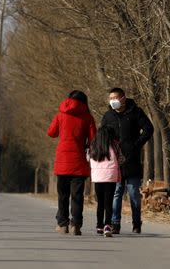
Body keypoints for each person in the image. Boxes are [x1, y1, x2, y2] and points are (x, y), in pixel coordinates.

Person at [100, 87, 154, 234]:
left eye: (116, 98)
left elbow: (149, 128)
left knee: (133, 194)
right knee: (116, 193)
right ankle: (115, 224)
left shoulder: (136, 112)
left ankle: (137, 223)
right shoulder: (107, 116)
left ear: (123, 98)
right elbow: (102, 134)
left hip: (132, 160)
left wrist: (136, 145)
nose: (113, 101)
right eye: (110, 99)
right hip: (114, 161)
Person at [47, 90, 96, 235]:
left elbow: (51, 132)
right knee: (77, 195)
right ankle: (76, 224)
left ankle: (62, 224)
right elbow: (93, 139)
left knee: (63, 195)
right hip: (79, 161)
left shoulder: (61, 114)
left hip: (62, 161)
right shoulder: (88, 117)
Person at [88, 125, 121, 237]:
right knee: (109, 202)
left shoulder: (93, 146)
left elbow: (88, 158)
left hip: (98, 177)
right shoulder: (114, 145)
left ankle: (99, 225)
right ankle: (107, 225)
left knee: (100, 203)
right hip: (111, 176)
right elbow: (121, 158)